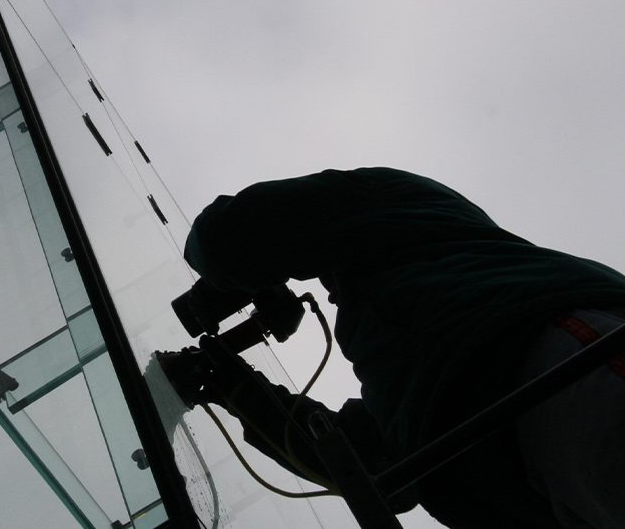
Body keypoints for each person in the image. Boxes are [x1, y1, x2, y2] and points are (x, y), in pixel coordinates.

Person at [179, 167, 625, 528]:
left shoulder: (390, 202)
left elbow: (222, 237)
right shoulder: (407, 364)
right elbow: (372, 466)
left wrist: (249, 285)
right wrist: (235, 389)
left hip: (565, 359)